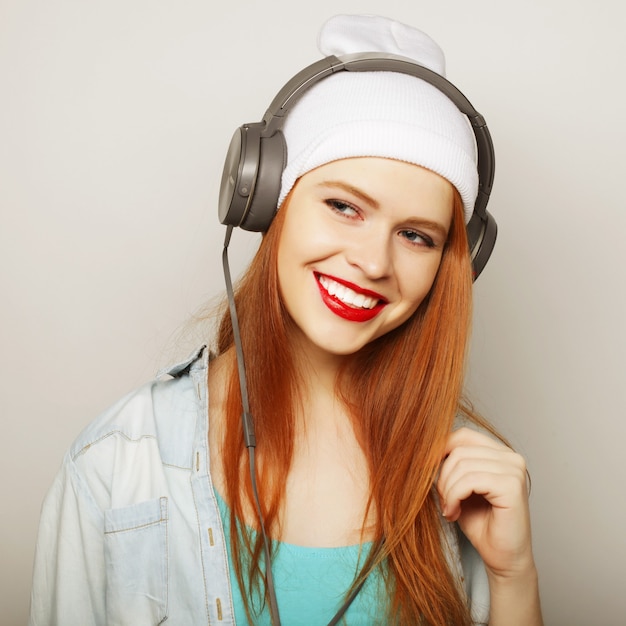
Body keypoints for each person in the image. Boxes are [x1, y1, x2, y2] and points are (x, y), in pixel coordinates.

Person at [29, 14, 543, 626]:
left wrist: (515, 578)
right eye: (344, 206)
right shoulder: (116, 464)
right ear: (266, 201)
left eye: (415, 235)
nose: (373, 262)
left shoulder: (468, 480)